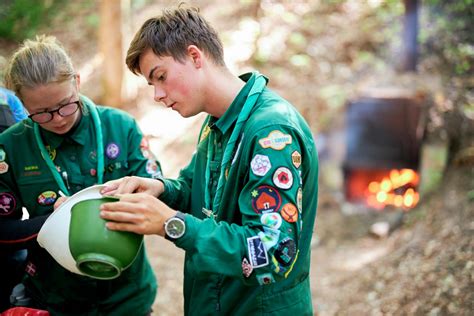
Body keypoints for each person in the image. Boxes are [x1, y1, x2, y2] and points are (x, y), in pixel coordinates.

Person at [100, 5, 319, 315]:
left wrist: (171, 224)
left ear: (194, 56)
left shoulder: (271, 133)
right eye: (152, 85)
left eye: (160, 77)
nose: (157, 96)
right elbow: (199, 192)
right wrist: (160, 190)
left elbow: (271, 252)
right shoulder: (216, 122)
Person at [0, 35, 161, 315]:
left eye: (66, 104)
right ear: (22, 104)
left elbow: (162, 192)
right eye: (42, 113)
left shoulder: (121, 128)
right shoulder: (11, 147)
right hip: (55, 299)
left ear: (76, 80)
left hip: (127, 297)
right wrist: (52, 222)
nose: (59, 118)